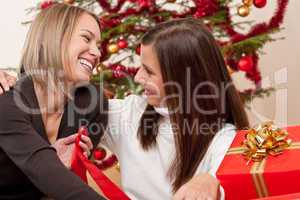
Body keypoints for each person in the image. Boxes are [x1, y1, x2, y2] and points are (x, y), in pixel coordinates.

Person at [0, 18, 249, 200]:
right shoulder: (130, 114)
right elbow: (57, 102)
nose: (138, 78)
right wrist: (10, 80)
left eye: (149, 71)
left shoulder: (224, 139)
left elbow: (237, 177)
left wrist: (212, 181)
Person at [0, 3, 107, 200]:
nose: (97, 53)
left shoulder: (93, 102)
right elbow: (53, 177)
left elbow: (63, 186)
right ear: (54, 39)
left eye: (98, 45)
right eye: (86, 38)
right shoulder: (7, 101)